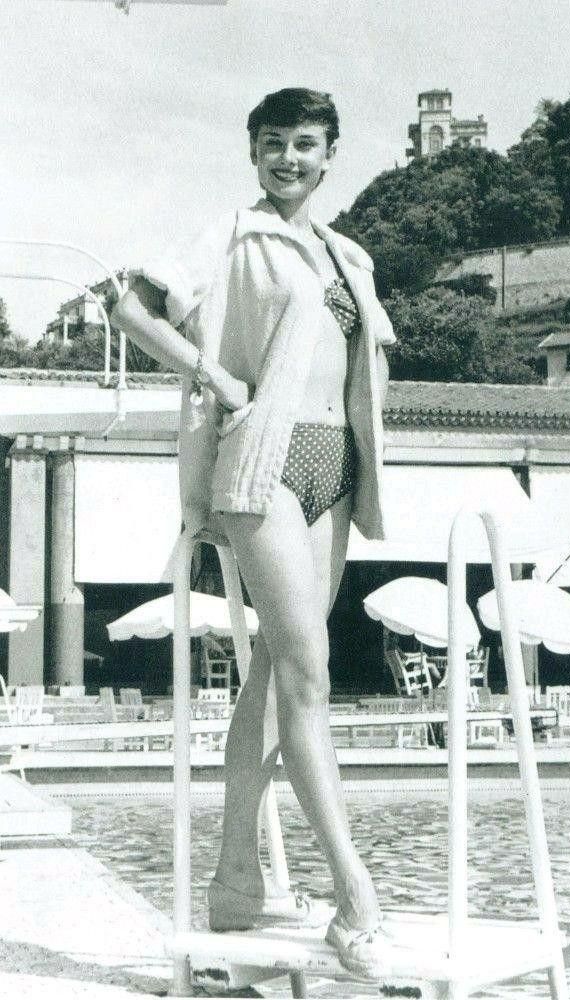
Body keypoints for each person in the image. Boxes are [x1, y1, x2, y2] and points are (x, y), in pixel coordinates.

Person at [112, 87, 396, 981]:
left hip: (335, 469)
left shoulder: (348, 253)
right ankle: (355, 895)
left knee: (276, 674)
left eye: (304, 145)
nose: (287, 159)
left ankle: (236, 882)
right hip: (261, 464)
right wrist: (218, 381)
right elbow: (127, 302)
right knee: (307, 669)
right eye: (272, 143)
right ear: (252, 152)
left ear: (328, 154)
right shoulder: (231, 233)